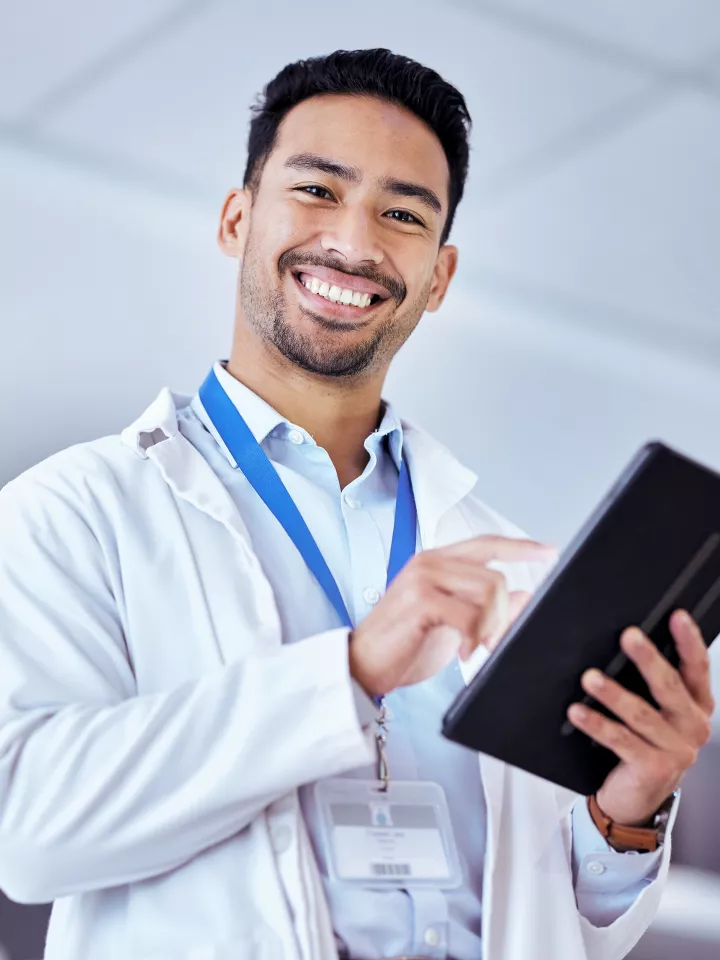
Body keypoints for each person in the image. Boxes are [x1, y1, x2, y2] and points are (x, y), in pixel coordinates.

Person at [0, 48, 714, 960]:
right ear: (236, 218)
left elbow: (552, 921)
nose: (357, 242)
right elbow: (27, 830)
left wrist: (628, 818)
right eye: (317, 190)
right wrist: (348, 673)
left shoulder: (496, 551)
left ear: (440, 276)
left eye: (404, 214)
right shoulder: (75, 511)